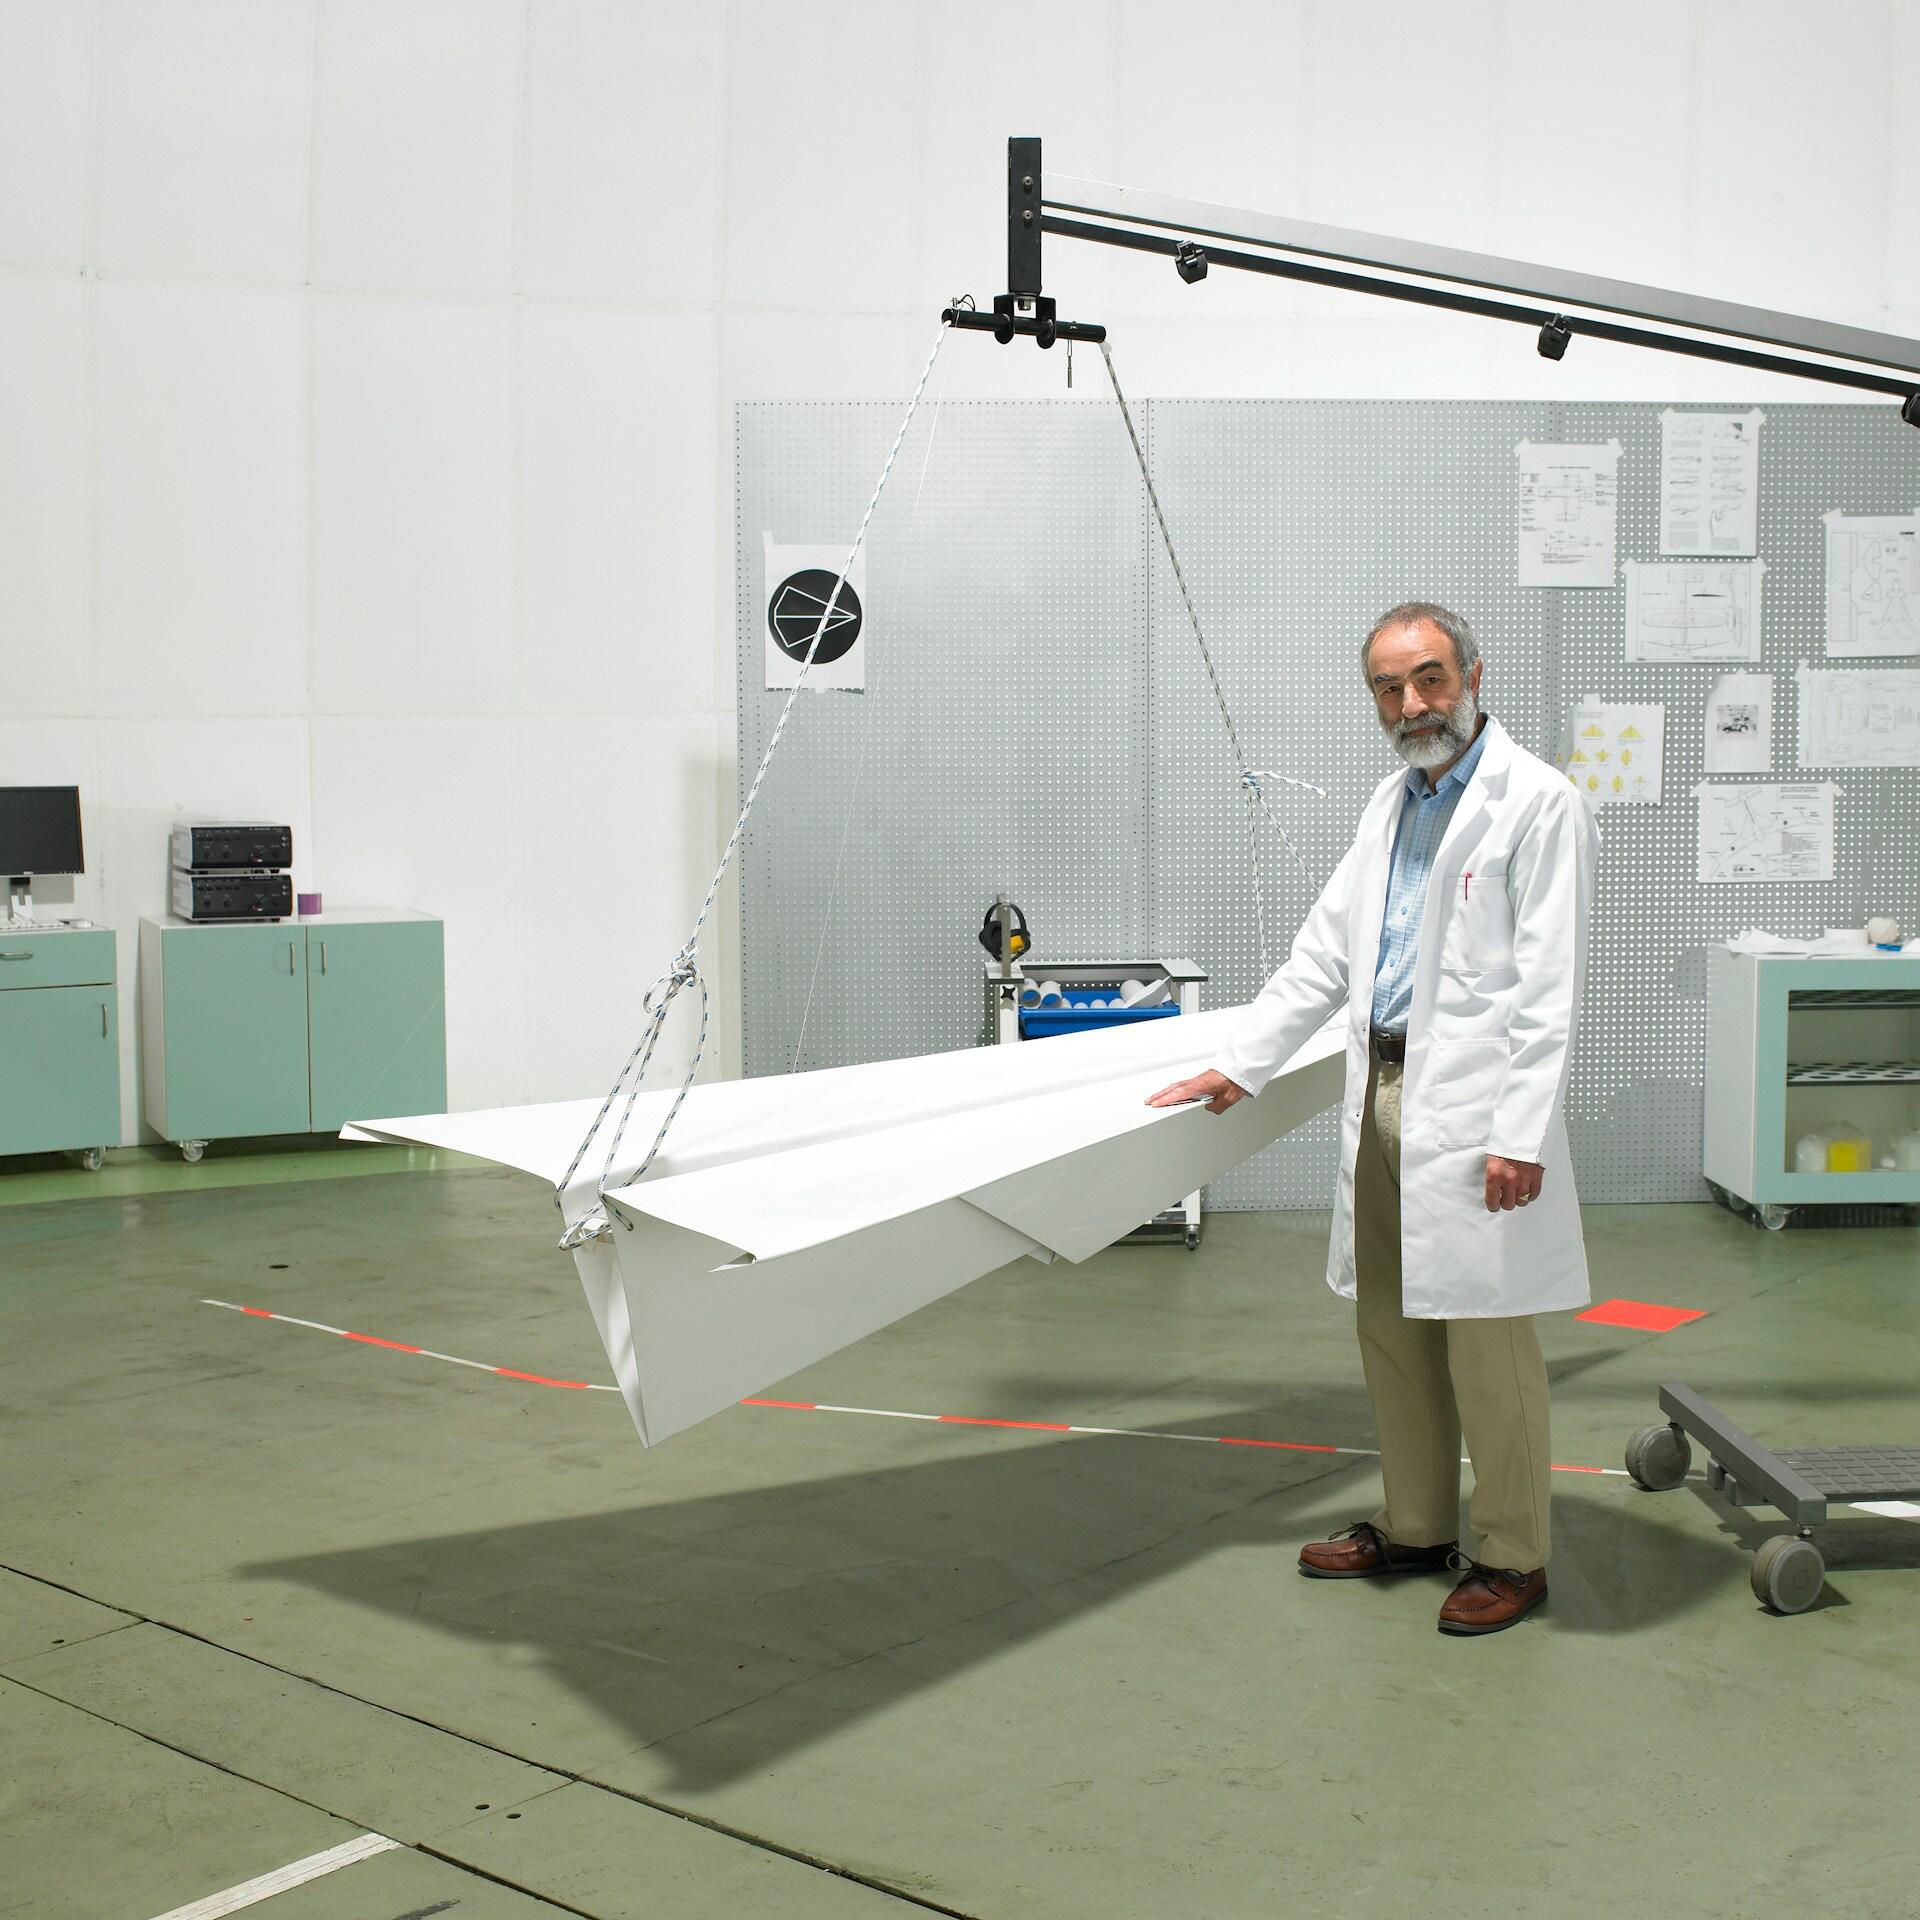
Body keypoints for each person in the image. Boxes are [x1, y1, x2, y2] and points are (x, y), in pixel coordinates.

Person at [1149, 603, 1597, 1636]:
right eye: (1390, 690)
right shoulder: (1389, 806)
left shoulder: (1537, 803)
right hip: (1385, 1090)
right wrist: (1241, 1065)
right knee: (1391, 1325)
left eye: (1430, 679)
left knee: (1488, 1345)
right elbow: (1324, 953)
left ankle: (1513, 1555)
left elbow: (1550, 986)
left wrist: (1520, 1135)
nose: (1412, 705)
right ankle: (1416, 1524)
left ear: (1475, 675)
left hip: (1479, 1110)